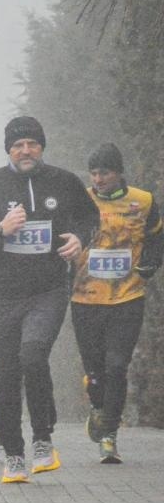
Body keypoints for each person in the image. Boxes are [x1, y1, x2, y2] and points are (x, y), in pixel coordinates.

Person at [0, 115, 97, 484]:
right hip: (1, 294)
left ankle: (43, 440)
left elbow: (90, 218)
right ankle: (15, 455)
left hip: (47, 290)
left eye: (32, 143)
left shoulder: (63, 182)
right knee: (4, 375)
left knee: (33, 356)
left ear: (42, 146)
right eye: (18, 145)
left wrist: (80, 239)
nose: (25, 150)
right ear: (9, 150)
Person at [69, 143, 163, 463]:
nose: (98, 179)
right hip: (85, 298)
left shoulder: (144, 200)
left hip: (128, 296)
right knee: (95, 370)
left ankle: (109, 435)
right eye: (94, 173)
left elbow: (156, 238)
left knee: (117, 365)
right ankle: (97, 404)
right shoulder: (79, 199)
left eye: (105, 173)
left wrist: (150, 263)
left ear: (119, 173)